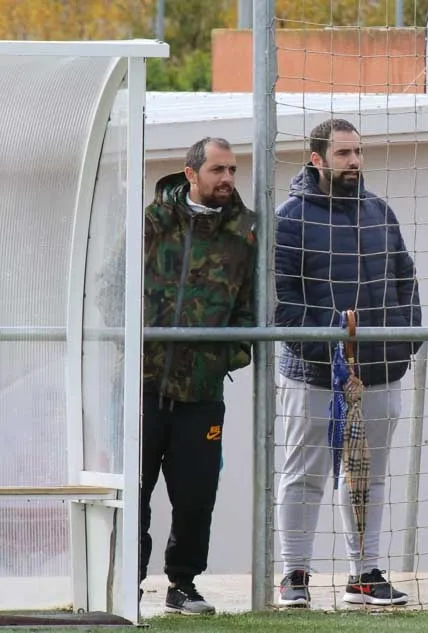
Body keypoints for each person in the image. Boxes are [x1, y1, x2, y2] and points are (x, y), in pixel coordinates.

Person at [274, 118, 421, 608]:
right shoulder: (290, 219)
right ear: (316, 159)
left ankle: (365, 573)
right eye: (343, 153)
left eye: (357, 152)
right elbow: (281, 302)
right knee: (305, 474)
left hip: (381, 372)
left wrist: (403, 344)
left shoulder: (380, 212)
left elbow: (406, 280)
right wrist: (333, 350)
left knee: (368, 475)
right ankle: (294, 574)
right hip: (313, 374)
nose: (354, 161)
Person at [139, 137, 256, 614]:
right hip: (143, 389)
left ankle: (182, 585)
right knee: (135, 492)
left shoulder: (245, 231)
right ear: (191, 173)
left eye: (231, 170)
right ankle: (126, 585)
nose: (227, 178)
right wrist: (129, 351)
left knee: (195, 497)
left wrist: (224, 356)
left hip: (202, 392)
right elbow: (111, 284)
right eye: (217, 170)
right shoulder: (152, 222)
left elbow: (250, 306)